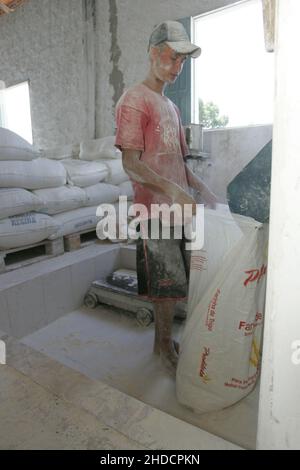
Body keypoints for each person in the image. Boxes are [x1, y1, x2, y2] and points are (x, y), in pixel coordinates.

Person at [115, 20, 217, 374]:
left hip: (180, 211)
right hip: (155, 211)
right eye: (172, 58)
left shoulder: (171, 109)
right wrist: (173, 191)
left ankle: (164, 342)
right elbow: (130, 163)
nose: (177, 68)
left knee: (175, 283)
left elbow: (178, 162)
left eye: (182, 62)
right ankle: (161, 348)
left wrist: (202, 189)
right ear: (153, 54)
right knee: (164, 283)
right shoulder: (134, 100)